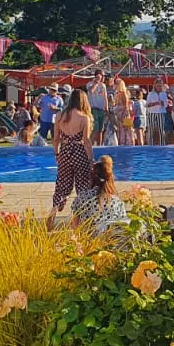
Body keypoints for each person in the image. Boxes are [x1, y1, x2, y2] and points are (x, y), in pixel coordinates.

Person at [51, 88, 95, 216]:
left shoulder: (60, 115)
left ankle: (54, 209)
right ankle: (81, 214)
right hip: (79, 152)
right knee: (82, 185)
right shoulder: (84, 118)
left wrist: (57, 154)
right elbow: (86, 141)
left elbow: (55, 139)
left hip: (64, 151)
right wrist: (91, 159)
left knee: (62, 184)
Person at [72, 155, 129, 231]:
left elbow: (76, 226)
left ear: (92, 177)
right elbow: (123, 225)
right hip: (110, 240)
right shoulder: (117, 202)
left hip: (87, 241)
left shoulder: (81, 198)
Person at [88, 73, 109, 146]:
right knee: (95, 128)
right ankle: (91, 145)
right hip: (94, 108)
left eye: (101, 77)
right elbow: (91, 91)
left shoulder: (103, 85)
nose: (100, 79)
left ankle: (99, 145)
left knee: (101, 129)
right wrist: (95, 83)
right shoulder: (89, 84)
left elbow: (105, 97)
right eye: (98, 77)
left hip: (101, 109)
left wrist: (106, 107)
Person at [145, 81, 169, 145]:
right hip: (152, 113)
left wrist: (162, 103)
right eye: (158, 86)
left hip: (161, 113)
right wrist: (155, 103)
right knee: (150, 129)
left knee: (161, 129)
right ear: (155, 86)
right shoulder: (150, 94)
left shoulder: (164, 94)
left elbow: (166, 104)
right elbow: (147, 105)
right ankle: (150, 144)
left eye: (160, 86)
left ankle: (162, 144)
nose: (159, 87)